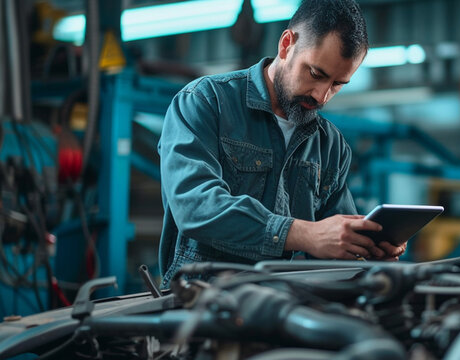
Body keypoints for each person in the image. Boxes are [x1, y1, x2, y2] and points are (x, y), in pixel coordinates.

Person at [157, 0, 405, 286]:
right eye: (316, 74)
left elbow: (334, 245)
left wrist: (367, 249)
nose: (322, 96)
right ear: (287, 45)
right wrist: (304, 234)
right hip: (202, 306)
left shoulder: (331, 145)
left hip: (290, 305)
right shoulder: (206, 102)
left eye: (338, 84)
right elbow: (195, 206)